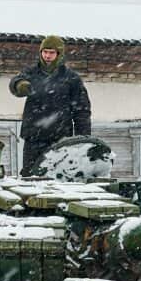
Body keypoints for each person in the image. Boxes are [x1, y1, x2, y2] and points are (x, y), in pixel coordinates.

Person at [10, 35, 92, 176]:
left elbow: (82, 111)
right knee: (30, 176)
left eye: (52, 52)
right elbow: (15, 81)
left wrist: (82, 140)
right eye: (45, 52)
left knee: (59, 177)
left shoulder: (71, 78)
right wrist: (19, 85)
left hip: (60, 140)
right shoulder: (31, 72)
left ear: (59, 54)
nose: (47, 56)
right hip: (33, 138)